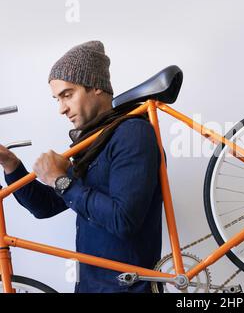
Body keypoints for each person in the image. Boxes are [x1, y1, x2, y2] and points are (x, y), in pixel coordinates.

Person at [0, 41, 163, 293]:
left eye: (67, 94)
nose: (62, 108)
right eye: (57, 99)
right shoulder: (93, 144)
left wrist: (60, 179)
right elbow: (45, 207)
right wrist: (11, 164)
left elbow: (124, 220)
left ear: (96, 86)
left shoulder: (133, 133)